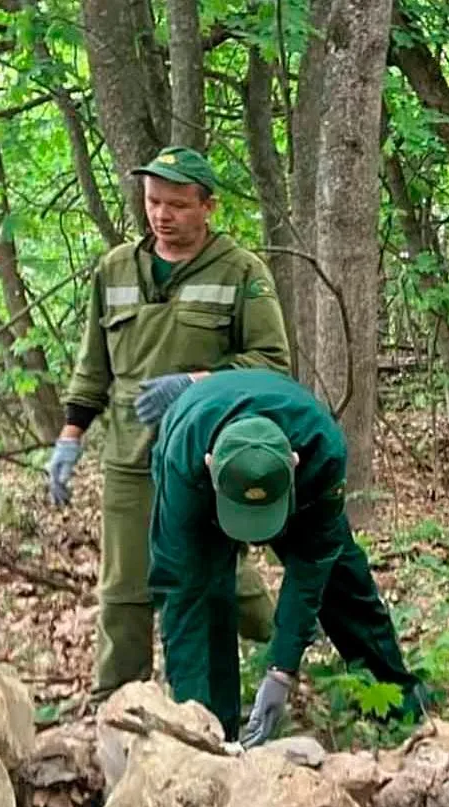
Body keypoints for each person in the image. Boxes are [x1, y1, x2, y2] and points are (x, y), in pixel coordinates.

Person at [44, 145, 291, 701]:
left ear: (208, 207)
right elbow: (94, 367)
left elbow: (272, 364)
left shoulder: (241, 272)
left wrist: (196, 382)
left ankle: (285, 655)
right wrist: (69, 438)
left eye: (177, 204)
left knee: (217, 579)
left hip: (204, 457)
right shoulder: (114, 270)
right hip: (130, 457)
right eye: (154, 202)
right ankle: (118, 702)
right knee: (125, 589)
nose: (162, 215)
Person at [146, 368, 426, 745]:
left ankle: (402, 706)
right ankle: (216, 734)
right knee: (205, 596)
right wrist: (193, 722)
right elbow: (181, 595)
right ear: (211, 465)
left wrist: (281, 670)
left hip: (298, 485)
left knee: (344, 584)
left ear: (294, 462)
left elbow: (311, 566)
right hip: (199, 467)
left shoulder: (322, 449)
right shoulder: (184, 461)